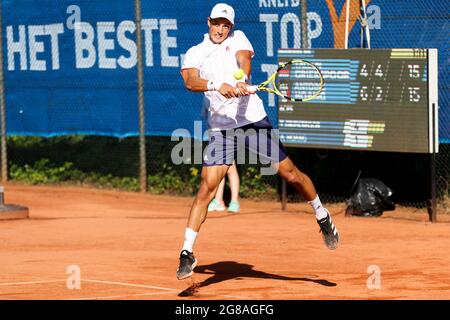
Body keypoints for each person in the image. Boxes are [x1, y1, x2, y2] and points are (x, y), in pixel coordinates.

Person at [177, 3, 339, 280]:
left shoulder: (238, 39)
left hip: (252, 121)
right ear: (208, 22)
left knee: (291, 174)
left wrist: (243, 79)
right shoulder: (195, 52)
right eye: (216, 23)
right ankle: (186, 252)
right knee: (207, 187)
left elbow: (244, 60)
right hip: (222, 129)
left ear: (231, 26)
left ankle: (322, 215)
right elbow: (191, 81)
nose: (220, 28)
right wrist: (218, 85)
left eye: (225, 24)